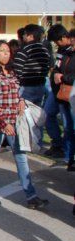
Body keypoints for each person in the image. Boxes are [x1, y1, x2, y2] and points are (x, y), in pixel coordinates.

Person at [0, 40, 49, 209]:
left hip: (14, 122)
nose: (6, 54)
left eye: (8, 51)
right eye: (2, 51)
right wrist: (4, 124)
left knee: (21, 158)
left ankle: (31, 196)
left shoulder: (12, 72)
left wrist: (21, 101)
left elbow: (16, 93)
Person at [44, 24, 73, 167]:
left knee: (68, 125)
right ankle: (57, 143)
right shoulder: (62, 50)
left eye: (57, 42)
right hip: (55, 91)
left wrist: (62, 77)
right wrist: (55, 73)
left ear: (64, 38)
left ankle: (67, 155)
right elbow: (56, 66)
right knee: (48, 114)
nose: (56, 45)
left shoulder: (71, 51)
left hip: (67, 93)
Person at [13, 24, 51, 107]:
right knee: (36, 112)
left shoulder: (25, 49)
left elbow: (17, 69)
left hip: (27, 87)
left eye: (24, 34)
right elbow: (47, 67)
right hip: (40, 86)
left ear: (30, 36)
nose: (23, 36)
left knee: (24, 113)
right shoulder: (44, 50)